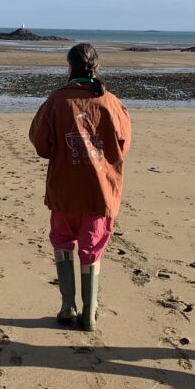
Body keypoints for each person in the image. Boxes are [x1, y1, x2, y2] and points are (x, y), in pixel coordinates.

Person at [29, 43, 131, 331]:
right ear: (95, 66)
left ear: (70, 66)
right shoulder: (110, 102)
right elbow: (122, 146)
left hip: (65, 190)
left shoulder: (57, 101)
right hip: (100, 191)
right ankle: (90, 310)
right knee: (92, 249)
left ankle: (68, 305)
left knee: (62, 241)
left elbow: (40, 143)